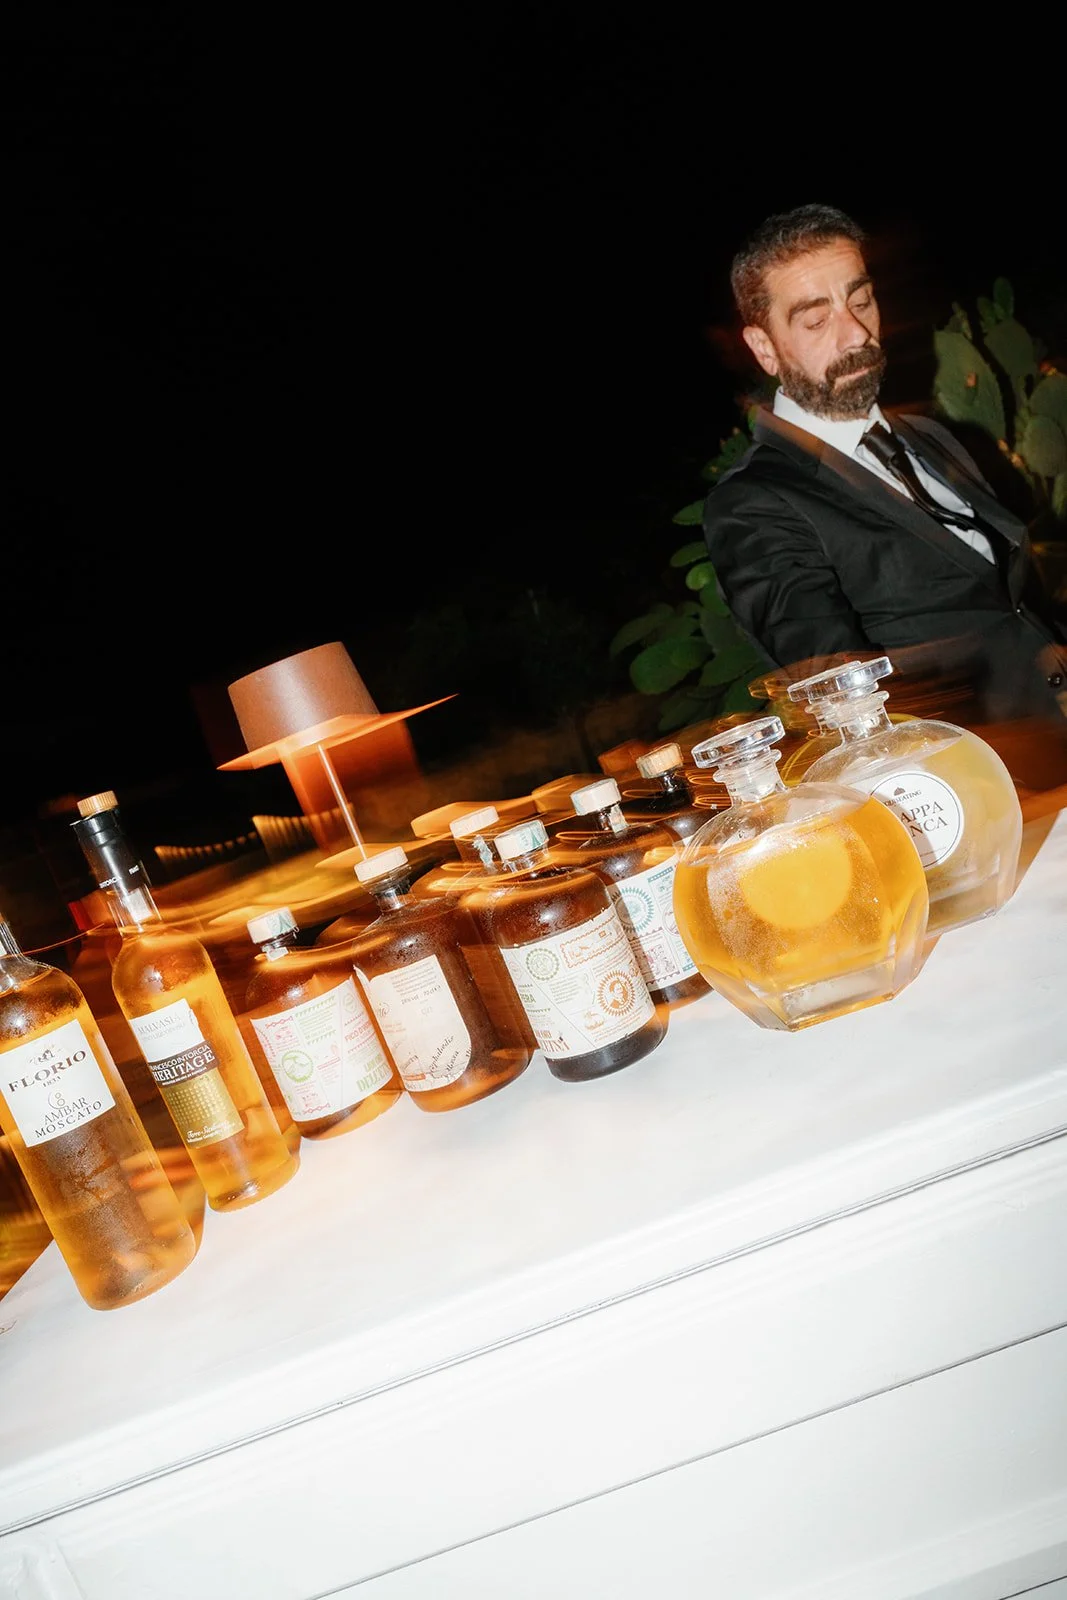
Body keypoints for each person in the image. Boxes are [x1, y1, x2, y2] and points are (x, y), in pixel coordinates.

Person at [702, 203, 1067, 743]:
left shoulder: (934, 436)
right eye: (817, 319)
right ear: (764, 348)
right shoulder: (755, 505)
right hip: (992, 778)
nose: (855, 334)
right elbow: (835, 694)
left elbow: (1002, 598)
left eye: (861, 300)